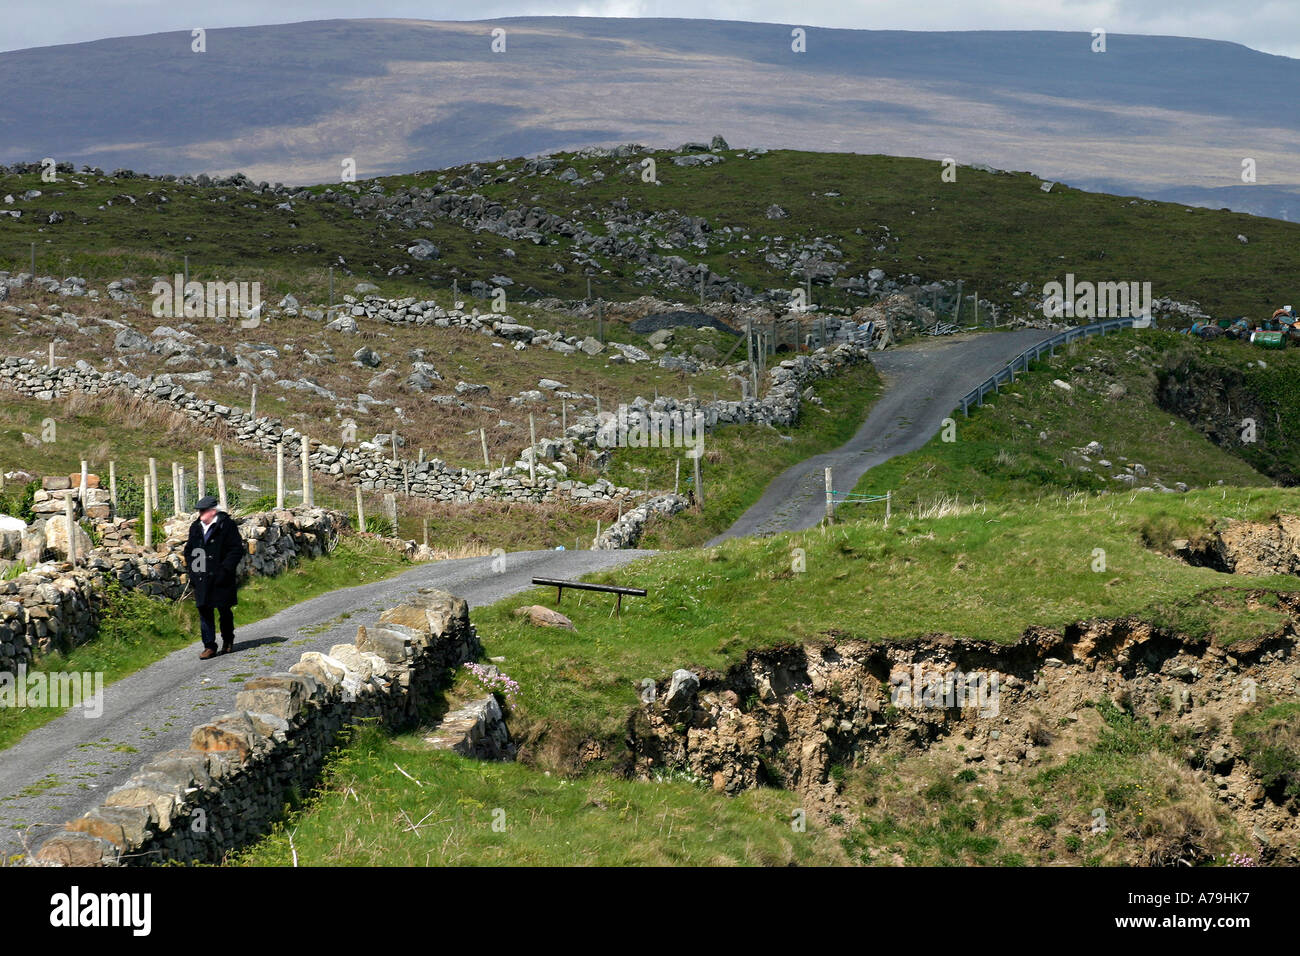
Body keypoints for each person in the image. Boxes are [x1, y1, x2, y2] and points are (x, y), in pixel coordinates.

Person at [185, 495, 243, 659]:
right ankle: (209, 646)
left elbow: (236, 549)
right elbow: (190, 550)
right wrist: (195, 572)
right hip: (202, 576)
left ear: (213, 511)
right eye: (199, 511)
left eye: (203, 511)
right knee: (204, 611)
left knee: (224, 610)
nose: (200, 514)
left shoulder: (227, 525)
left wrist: (225, 570)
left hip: (221, 576)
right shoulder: (195, 527)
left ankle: (228, 640)